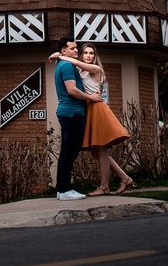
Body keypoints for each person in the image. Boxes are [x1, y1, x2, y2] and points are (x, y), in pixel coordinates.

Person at [50, 43, 135, 196]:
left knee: (101, 149)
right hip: (87, 108)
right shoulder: (78, 70)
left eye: (92, 53)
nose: (89, 55)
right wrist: (59, 54)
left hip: (97, 108)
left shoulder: (96, 69)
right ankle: (124, 177)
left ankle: (104, 187)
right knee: (96, 152)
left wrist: (59, 55)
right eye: (86, 53)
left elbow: (74, 61)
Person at [52, 37, 95, 200]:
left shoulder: (61, 64)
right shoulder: (68, 65)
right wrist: (91, 97)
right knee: (70, 152)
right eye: (72, 48)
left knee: (67, 151)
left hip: (68, 112)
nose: (76, 51)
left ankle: (62, 189)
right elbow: (72, 90)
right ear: (64, 51)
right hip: (72, 112)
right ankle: (64, 190)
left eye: (76, 48)